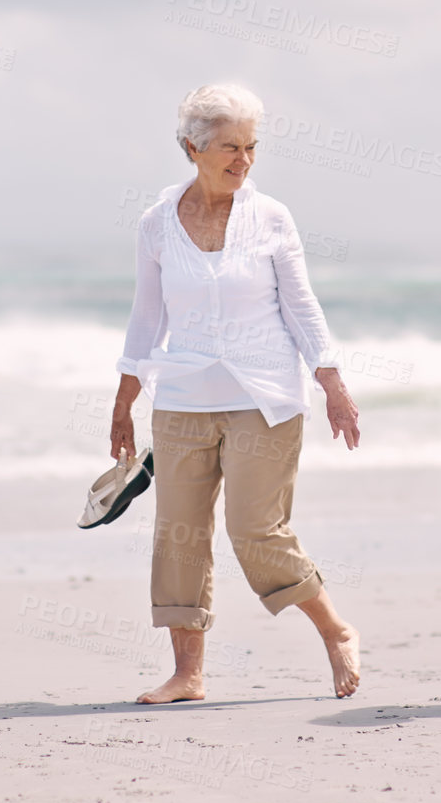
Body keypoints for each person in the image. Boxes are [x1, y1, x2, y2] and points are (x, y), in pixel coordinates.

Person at [109, 82, 363, 703]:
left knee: (256, 530)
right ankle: (187, 674)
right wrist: (123, 400)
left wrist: (331, 381)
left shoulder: (271, 217)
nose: (243, 160)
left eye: (251, 147)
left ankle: (334, 630)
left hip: (266, 397)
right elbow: (147, 318)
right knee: (180, 535)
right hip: (183, 399)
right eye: (229, 147)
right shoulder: (156, 223)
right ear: (192, 148)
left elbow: (301, 306)